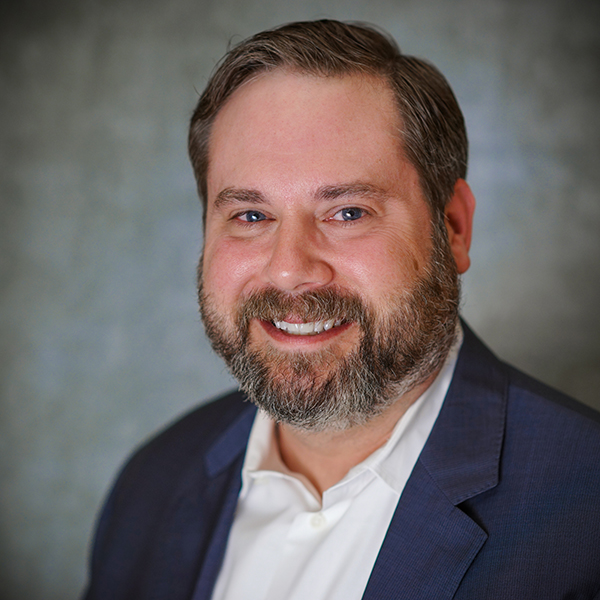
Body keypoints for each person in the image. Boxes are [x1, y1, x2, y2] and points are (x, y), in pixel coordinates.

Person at [83, 20, 600, 600]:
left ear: (453, 228)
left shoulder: (585, 512)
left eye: (348, 212)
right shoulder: (151, 485)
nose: (288, 269)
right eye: (250, 216)